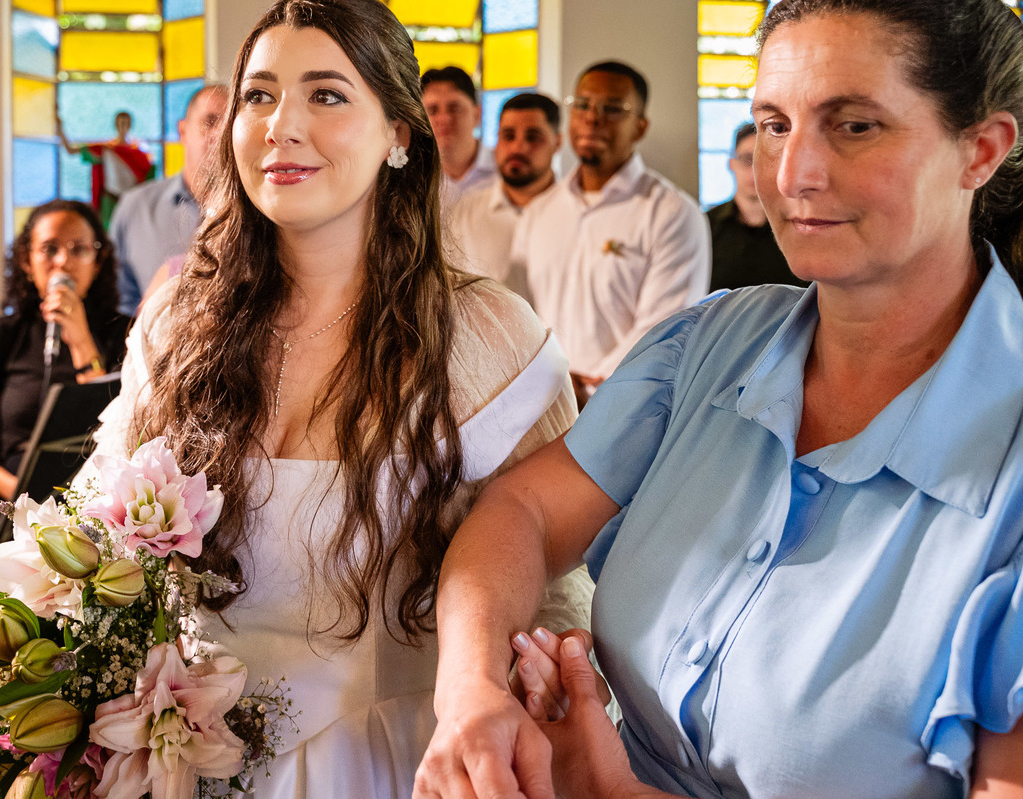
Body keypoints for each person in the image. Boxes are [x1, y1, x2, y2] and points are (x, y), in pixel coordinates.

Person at [415, 0, 1023, 797]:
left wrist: (613, 788)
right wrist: (471, 690)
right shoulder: (708, 344)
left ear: (980, 149)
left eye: (853, 126)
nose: (792, 173)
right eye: (774, 124)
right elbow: (521, 512)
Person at [82, 1, 589, 796]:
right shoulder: (176, 326)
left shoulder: (484, 337)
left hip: (391, 762)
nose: (281, 126)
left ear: (398, 134)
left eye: (326, 94)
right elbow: (94, 543)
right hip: (186, 762)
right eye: (258, 95)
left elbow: (556, 586)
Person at [513, 61, 710, 407]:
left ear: (640, 127)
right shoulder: (539, 212)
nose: (592, 118)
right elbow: (518, 311)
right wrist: (551, 378)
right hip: (541, 402)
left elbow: (666, 330)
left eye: (613, 109)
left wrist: (586, 389)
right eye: (583, 105)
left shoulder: (672, 213)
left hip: (628, 409)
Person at [0, 200, 130, 501]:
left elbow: (119, 424)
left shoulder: (127, 334)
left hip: (100, 498)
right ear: (26, 261)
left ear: (98, 261)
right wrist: (18, 492)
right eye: (49, 248)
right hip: (18, 498)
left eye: (79, 249)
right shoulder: (2, 335)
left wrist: (80, 338)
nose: (63, 262)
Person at [111, 85, 230, 314]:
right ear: (182, 131)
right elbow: (117, 307)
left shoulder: (263, 212)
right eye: (210, 121)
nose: (220, 134)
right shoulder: (135, 208)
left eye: (231, 124)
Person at [448, 92, 563, 303]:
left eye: (533, 137)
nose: (518, 148)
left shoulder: (576, 215)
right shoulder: (462, 216)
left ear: (558, 142)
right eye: (508, 136)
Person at [707, 122, 802, 291]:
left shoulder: (800, 226)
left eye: (764, 160)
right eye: (746, 160)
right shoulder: (705, 226)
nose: (755, 170)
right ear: (731, 164)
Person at [57, 110, 153, 228]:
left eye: (125, 123)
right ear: (116, 125)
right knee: (108, 232)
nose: (122, 126)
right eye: (120, 123)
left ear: (130, 125)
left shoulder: (138, 152)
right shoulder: (106, 149)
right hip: (110, 199)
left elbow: (148, 176)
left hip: (132, 199)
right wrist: (60, 128)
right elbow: (71, 150)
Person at [422, 66, 496, 207]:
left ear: (477, 114)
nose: (444, 119)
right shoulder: (413, 180)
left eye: (454, 108)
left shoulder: (505, 171)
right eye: (432, 110)